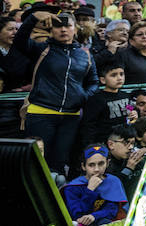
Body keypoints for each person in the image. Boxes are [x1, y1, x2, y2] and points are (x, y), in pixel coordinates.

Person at [16, 9, 97, 176]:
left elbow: (94, 82)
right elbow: (19, 41)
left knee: (59, 163)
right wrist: (32, 19)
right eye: (57, 26)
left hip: (70, 117)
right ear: (51, 30)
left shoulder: (85, 55)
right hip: (40, 113)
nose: (63, 30)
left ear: (75, 28)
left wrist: (83, 96)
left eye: (67, 26)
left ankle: (55, 198)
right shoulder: (42, 49)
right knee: (36, 162)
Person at [61, 145, 127, 226]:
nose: (96, 169)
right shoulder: (73, 187)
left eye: (101, 164)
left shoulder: (113, 181)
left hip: (105, 222)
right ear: (83, 166)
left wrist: (94, 216)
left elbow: (112, 209)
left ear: (107, 163)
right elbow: (77, 215)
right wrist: (90, 190)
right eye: (91, 165)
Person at [79, 61, 134, 148]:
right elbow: (89, 125)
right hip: (103, 142)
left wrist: (133, 113)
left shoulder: (126, 96)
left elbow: (130, 110)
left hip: (123, 140)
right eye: (113, 75)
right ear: (103, 80)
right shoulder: (96, 99)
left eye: (121, 74)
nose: (119, 78)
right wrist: (91, 145)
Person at [104, 125, 146, 200]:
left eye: (133, 143)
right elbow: (114, 190)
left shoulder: (129, 157)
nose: (131, 147)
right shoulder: (103, 164)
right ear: (111, 144)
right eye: (126, 142)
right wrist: (128, 168)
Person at [0, 9, 33, 91]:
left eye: (17, 29)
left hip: (15, 98)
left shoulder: (23, 52)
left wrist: (25, 88)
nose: (15, 32)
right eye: (10, 29)